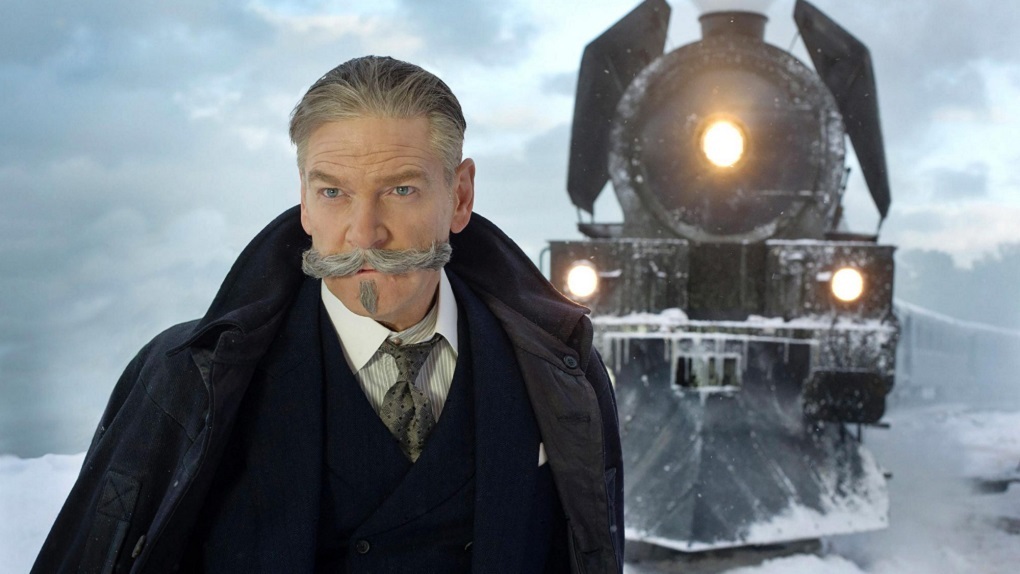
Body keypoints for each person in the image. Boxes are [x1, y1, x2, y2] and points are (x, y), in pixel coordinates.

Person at [33, 56, 623, 573]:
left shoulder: (559, 372)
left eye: (400, 190)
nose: (364, 234)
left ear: (460, 196)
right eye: (333, 193)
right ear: (305, 202)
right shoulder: (184, 379)